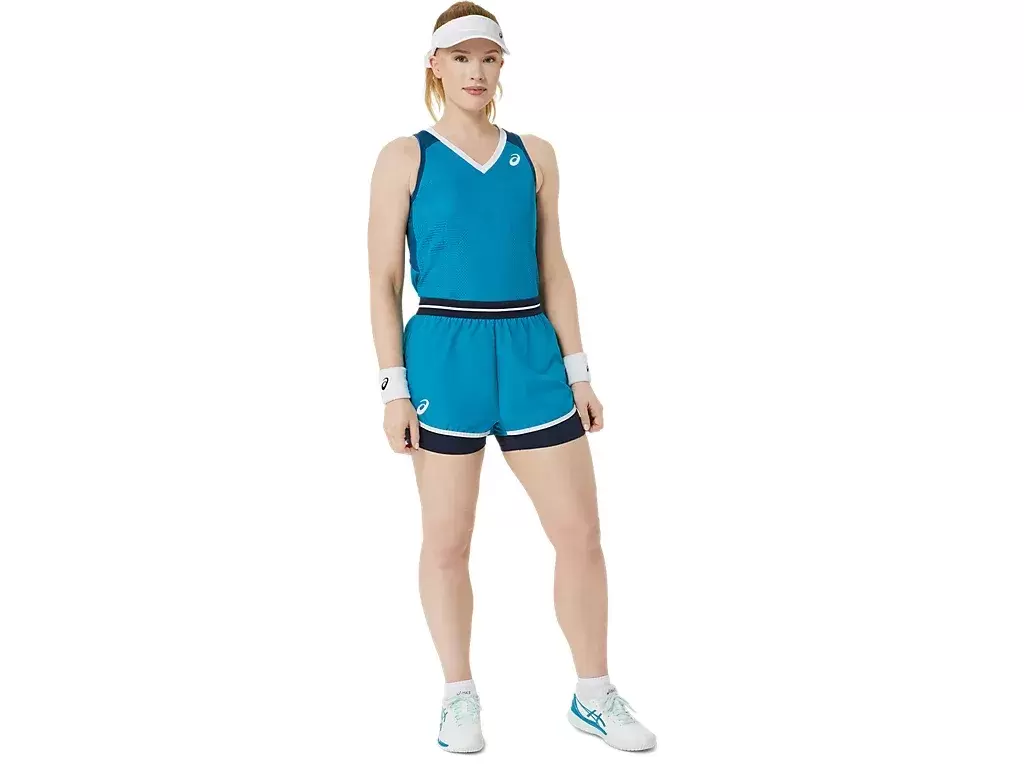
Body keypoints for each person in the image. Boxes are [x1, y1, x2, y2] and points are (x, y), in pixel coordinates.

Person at [366, 2, 656, 754]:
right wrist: (394, 387)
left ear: (502, 67)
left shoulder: (537, 155)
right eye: (461, 58)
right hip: (444, 354)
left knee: (580, 533)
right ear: (435, 65)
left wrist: (579, 372)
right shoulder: (405, 156)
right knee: (446, 541)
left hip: (530, 351)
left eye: (489, 59)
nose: (477, 72)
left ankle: (593, 693)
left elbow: (553, 265)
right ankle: (458, 696)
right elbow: (382, 280)